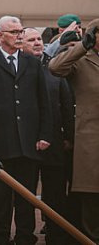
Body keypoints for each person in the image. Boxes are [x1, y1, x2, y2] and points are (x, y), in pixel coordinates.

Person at [0, 16, 52, 245]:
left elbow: (43, 101)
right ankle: (1, 237)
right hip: (1, 142)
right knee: (1, 197)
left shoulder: (32, 62)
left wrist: (44, 134)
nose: (19, 36)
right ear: (0, 36)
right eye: (14, 32)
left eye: (21, 31)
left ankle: (24, 237)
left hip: (29, 141)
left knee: (27, 196)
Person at [22, 28, 74, 245]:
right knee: (25, 195)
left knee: (55, 195)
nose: (37, 43)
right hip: (25, 144)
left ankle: (56, 236)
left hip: (54, 144)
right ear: (20, 43)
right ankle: (24, 236)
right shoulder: (18, 70)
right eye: (31, 40)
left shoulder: (54, 69)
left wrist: (69, 137)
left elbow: (66, 105)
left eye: (39, 39)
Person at [49, 20, 99, 242]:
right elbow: (55, 68)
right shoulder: (82, 59)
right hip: (92, 142)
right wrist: (81, 47)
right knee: (92, 202)